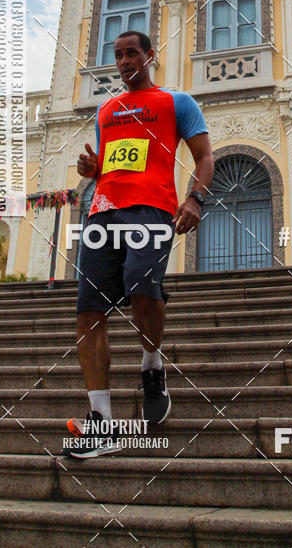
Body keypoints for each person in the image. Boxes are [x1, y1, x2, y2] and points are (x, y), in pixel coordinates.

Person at [63, 30, 214, 458]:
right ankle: (102, 421)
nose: (125, 60)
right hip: (102, 211)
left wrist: (194, 198)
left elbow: (205, 156)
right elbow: (108, 166)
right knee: (89, 310)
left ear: (151, 55)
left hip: (152, 210)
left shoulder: (176, 102)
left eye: (133, 53)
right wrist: (91, 168)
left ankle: (152, 364)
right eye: (118, 55)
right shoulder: (107, 109)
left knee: (140, 286)